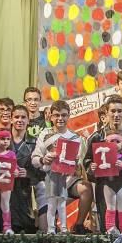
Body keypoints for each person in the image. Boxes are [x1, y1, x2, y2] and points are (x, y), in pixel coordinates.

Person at [85, 95, 122, 234]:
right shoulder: (96, 137)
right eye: (113, 111)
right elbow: (86, 161)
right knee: (107, 226)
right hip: (104, 185)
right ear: (107, 113)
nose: (116, 115)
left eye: (119, 111)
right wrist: (91, 167)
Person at [32, 100, 82, 234]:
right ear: (51, 117)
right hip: (49, 177)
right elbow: (34, 160)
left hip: (68, 179)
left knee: (61, 203)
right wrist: (43, 159)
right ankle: (51, 229)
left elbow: (78, 166)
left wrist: (75, 163)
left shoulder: (75, 137)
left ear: (69, 116)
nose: (60, 118)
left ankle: (66, 228)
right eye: (57, 115)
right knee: (52, 204)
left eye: (64, 115)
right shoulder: (45, 135)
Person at [9, 105, 39, 233]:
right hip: (2, 189)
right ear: (11, 119)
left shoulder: (35, 143)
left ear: (28, 121)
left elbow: (42, 170)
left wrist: (28, 173)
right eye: (16, 117)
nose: (19, 120)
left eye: (23, 117)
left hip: (25, 191)